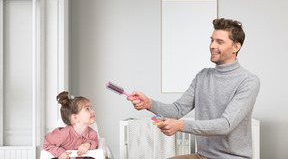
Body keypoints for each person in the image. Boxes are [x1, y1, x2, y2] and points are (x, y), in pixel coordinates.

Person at [128, 18, 260, 159]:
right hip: (202, 156)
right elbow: (177, 110)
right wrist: (149, 103)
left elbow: (225, 125)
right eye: (212, 40)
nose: (212, 46)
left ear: (236, 47)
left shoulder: (248, 81)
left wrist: (180, 125)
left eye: (219, 42)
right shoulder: (203, 76)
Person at [43, 91, 98, 159]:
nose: (93, 111)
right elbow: (46, 143)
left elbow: (95, 143)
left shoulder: (92, 134)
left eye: (91, 108)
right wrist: (59, 153)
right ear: (75, 117)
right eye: (87, 109)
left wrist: (88, 145)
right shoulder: (63, 134)